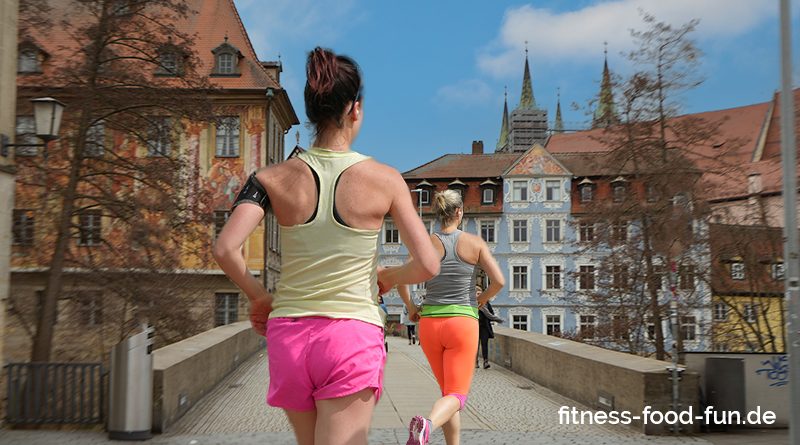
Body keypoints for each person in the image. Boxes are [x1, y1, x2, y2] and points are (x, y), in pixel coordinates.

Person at [212, 46, 439, 445]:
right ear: (355, 108)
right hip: (351, 334)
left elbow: (226, 249)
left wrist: (259, 297)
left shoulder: (271, 178)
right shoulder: (386, 180)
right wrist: (389, 276)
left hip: (289, 335)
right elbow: (428, 263)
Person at [400, 189, 505, 445]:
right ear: (460, 212)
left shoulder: (424, 244)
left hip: (430, 325)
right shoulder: (475, 243)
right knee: (457, 395)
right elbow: (499, 281)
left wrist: (412, 307)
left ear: (438, 213)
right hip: (462, 324)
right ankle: (427, 426)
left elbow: (401, 280)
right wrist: (480, 300)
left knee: (448, 393)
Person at [476, 285, 502, 369]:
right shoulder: (471, 304)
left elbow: (491, 313)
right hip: (474, 328)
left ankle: (485, 361)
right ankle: (475, 362)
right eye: (477, 293)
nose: (479, 295)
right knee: (475, 346)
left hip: (484, 327)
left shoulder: (486, 303)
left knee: (484, 344)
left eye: (480, 293)